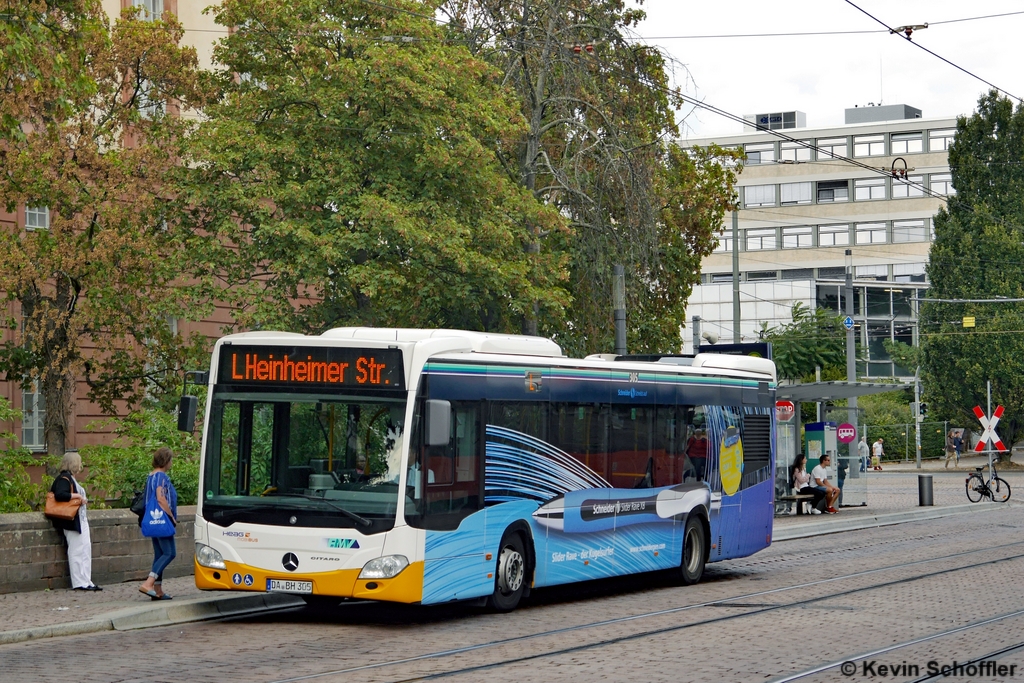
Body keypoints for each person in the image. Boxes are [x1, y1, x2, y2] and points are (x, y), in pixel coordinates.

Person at [49, 452, 101, 591]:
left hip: (80, 519)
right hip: (71, 521)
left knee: (85, 548)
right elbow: (60, 495)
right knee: (77, 549)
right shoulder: (64, 478)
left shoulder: (70, 478)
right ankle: (79, 581)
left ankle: (86, 580)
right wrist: (77, 496)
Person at [139, 447, 178, 600]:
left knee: (159, 554)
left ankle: (157, 590)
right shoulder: (161, 476)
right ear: (166, 461)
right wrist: (171, 517)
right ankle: (149, 583)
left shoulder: (151, 476)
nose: (172, 463)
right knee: (170, 553)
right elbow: (161, 498)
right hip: (162, 519)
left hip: (152, 520)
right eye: (171, 460)